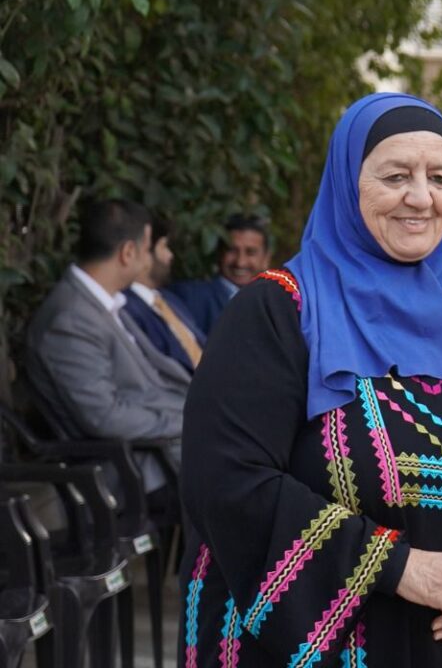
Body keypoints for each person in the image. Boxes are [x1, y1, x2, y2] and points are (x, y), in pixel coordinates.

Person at [179, 93, 442, 668]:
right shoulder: (279, 312)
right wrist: (402, 569)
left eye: (439, 177)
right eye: (396, 176)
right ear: (347, 185)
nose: (421, 197)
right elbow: (227, 481)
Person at [26, 198, 191, 488]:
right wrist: (187, 422)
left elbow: (156, 380)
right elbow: (104, 417)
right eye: (147, 249)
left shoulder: (101, 304)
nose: (148, 260)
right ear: (128, 253)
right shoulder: (71, 319)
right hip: (139, 469)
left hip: (165, 449)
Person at [123, 214, 205, 375]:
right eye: (164, 246)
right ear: (144, 252)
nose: (170, 255)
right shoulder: (126, 307)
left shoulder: (170, 300)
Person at [166, 213, 272, 336]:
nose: (240, 262)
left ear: (266, 259)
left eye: (250, 252)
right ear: (219, 253)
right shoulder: (191, 296)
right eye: (232, 250)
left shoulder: (276, 306)